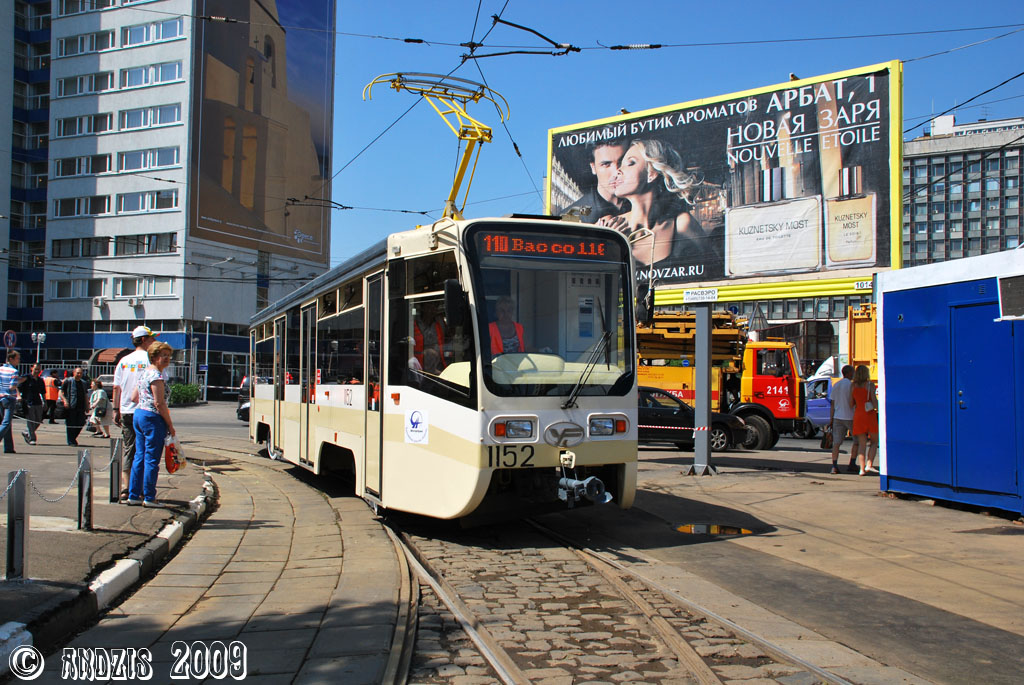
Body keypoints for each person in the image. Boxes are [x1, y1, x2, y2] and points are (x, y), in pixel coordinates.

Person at [598, 139, 713, 270]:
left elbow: (716, 269)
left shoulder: (681, 224)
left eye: (630, 163)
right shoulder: (608, 225)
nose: (618, 170)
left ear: (651, 174)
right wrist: (604, 248)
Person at [127, 341, 176, 507]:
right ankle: (149, 496)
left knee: (139, 456)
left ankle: (133, 494)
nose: (167, 359)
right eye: (164, 356)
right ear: (154, 357)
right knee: (151, 459)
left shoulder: (144, 373)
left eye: (169, 356)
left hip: (139, 414)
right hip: (152, 418)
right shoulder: (156, 376)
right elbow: (159, 403)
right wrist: (170, 425)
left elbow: (134, 397)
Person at [113, 326, 158, 502]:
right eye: (151, 338)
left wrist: (116, 409)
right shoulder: (150, 360)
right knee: (147, 451)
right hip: (146, 411)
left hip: (126, 410)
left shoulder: (124, 360)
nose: (153, 341)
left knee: (130, 449)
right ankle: (141, 489)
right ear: (144, 340)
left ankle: (127, 488)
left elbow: (117, 387)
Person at [563, 136, 630, 223]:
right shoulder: (570, 216)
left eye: (622, 162)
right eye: (606, 164)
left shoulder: (643, 204)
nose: (616, 172)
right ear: (593, 168)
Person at [828, 365, 858, 474]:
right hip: (851, 417)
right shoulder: (851, 385)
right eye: (853, 372)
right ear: (849, 373)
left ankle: (834, 466)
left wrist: (831, 419)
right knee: (857, 441)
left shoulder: (836, 385)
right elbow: (854, 402)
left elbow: (832, 404)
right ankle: (852, 463)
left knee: (836, 443)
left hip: (837, 417)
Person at [851, 365, 879, 476]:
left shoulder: (853, 386)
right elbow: (874, 401)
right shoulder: (870, 385)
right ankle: (869, 464)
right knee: (874, 441)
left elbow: (851, 403)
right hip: (869, 415)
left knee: (861, 444)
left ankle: (861, 469)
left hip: (858, 415)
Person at [0, 350, 23, 454]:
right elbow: (12, 386)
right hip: (10, 398)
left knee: (7, 424)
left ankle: (8, 447)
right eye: (17, 358)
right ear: (11, 359)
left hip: (1, 397)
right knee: (6, 422)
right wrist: (20, 381)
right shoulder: (14, 371)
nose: (19, 361)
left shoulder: (1, 369)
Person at [59, 367, 88, 446]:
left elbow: (85, 395)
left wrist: (87, 405)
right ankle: (71, 440)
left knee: (81, 423)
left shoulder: (84, 383)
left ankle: (73, 438)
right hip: (71, 406)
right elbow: (61, 392)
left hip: (81, 407)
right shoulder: (68, 381)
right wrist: (65, 401)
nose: (79, 375)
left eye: (81, 373)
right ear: (74, 373)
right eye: (78, 373)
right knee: (71, 424)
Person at [19, 364, 46, 445]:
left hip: (38, 402)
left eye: (39, 369)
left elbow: (43, 392)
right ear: (31, 368)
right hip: (28, 402)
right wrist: (18, 396)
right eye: (35, 369)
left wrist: (45, 402)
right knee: (30, 421)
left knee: (38, 420)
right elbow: (17, 385)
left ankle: (26, 432)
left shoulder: (40, 380)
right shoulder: (26, 378)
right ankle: (32, 438)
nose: (37, 371)